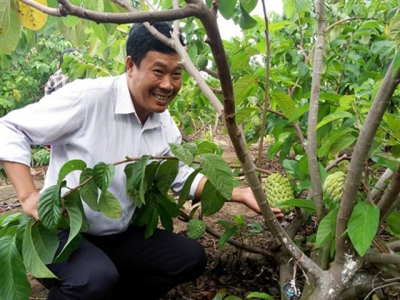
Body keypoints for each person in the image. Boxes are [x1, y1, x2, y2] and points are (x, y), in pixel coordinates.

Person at [0, 22, 283, 300]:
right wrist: (28, 195)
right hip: (61, 232)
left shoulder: (164, 121)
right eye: (158, 71)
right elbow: (9, 128)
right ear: (130, 65)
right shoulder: (90, 99)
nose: (168, 85)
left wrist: (241, 193)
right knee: (95, 280)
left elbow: (180, 175)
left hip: (118, 236)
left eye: (176, 74)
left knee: (189, 258)